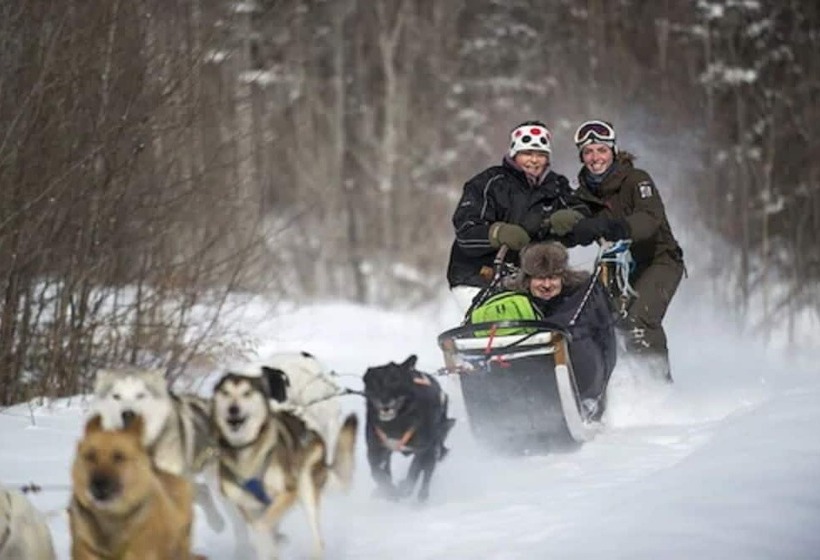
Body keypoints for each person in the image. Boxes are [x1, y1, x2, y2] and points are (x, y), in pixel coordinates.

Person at [559, 119, 685, 382]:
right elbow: (573, 224)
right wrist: (572, 230)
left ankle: (658, 386)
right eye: (589, 152)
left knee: (639, 320)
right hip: (614, 265)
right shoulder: (582, 193)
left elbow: (650, 219)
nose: (596, 158)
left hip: (657, 261)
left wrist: (615, 227)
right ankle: (607, 388)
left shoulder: (637, 180)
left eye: (602, 150)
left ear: (613, 151)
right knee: (604, 323)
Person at [446, 120, 586, 314]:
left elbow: (582, 211)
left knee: (580, 303)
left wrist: (572, 218)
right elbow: (465, 230)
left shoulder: (556, 186)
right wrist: (497, 233)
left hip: (533, 280)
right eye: (528, 154)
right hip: (478, 276)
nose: (534, 160)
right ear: (514, 154)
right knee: (511, 315)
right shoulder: (489, 182)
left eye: (541, 155)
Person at [506, 242, 616, 418]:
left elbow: (607, 343)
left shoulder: (581, 295)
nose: (547, 285)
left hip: (582, 372)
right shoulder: (515, 301)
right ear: (527, 280)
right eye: (540, 278)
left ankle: (587, 401)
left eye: (553, 278)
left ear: (563, 277)